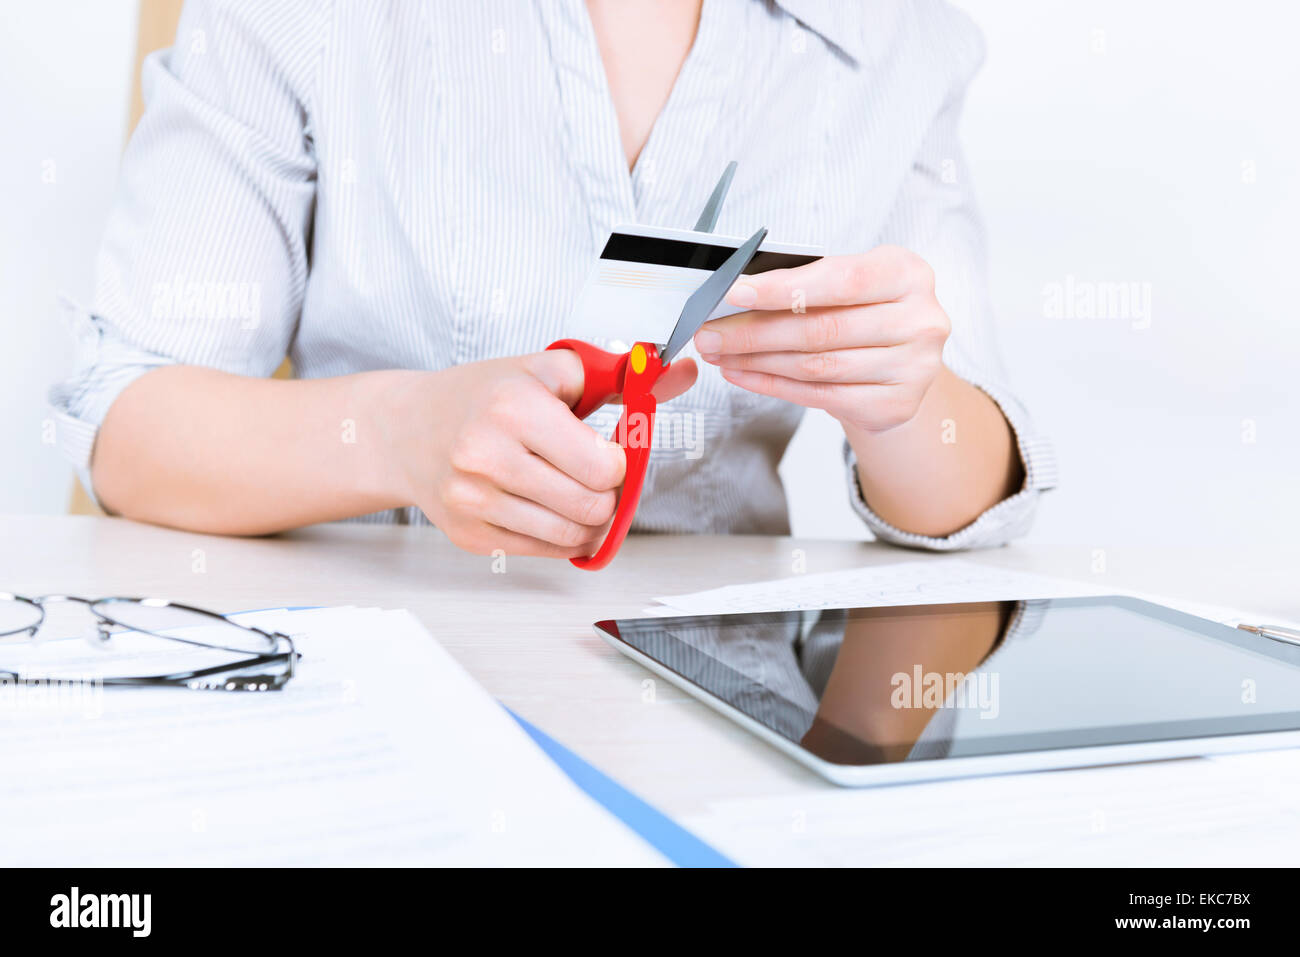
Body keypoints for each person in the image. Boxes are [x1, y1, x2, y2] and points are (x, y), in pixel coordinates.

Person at [49, 0, 1055, 558]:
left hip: (721, 702)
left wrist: (904, 405)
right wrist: (398, 434)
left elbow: (975, 502)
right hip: (373, 664)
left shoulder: (905, 40)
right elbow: (127, 429)